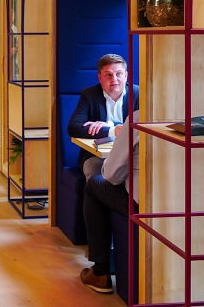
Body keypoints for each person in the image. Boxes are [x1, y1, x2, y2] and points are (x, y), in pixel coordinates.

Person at [79, 110, 140, 294]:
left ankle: (100, 272)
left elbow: (111, 175)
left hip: (143, 203)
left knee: (93, 185)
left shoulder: (139, 118)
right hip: (188, 203)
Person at [67, 53, 140, 181]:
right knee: (97, 173)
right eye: (108, 75)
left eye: (118, 74)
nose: (114, 79)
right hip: (97, 157)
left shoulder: (138, 94)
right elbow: (73, 127)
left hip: (130, 155)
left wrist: (111, 125)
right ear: (100, 78)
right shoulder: (89, 95)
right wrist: (112, 131)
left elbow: (143, 126)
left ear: (126, 76)